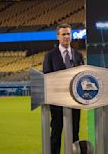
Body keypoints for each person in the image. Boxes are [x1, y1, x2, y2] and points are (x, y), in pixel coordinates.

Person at [43, 23, 84, 154]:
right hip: (58, 104)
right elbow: (47, 78)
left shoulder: (78, 55)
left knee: (74, 135)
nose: (66, 36)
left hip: (75, 103)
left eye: (68, 34)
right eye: (63, 34)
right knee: (56, 135)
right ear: (57, 36)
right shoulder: (50, 56)